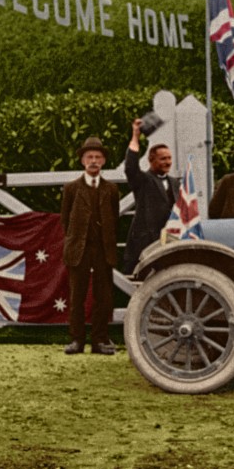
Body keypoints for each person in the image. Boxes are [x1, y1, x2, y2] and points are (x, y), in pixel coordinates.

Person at [60, 137, 120, 355]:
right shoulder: (71, 189)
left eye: (97, 157)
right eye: (89, 157)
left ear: (103, 161)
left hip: (103, 249)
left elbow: (114, 217)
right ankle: (76, 339)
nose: (93, 161)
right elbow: (65, 220)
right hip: (79, 248)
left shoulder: (111, 189)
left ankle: (100, 340)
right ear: (82, 161)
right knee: (77, 295)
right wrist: (77, 240)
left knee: (103, 296)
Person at [123, 118, 179, 274]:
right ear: (151, 160)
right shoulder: (143, 180)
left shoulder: (175, 183)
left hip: (169, 242)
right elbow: (130, 167)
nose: (168, 162)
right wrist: (135, 136)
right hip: (145, 243)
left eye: (169, 158)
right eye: (163, 159)